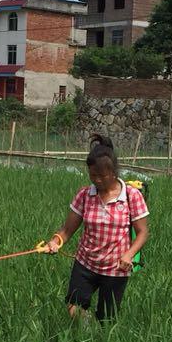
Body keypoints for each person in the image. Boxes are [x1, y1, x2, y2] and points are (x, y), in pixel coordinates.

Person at [45, 134, 149, 321]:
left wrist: (129, 254)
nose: (97, 180)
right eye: (93, 175)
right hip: (86, 263)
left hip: (116, 268)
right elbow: (67, 230)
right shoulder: (85, 195)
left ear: (114, 172)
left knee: (106, 319)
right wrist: (55, 242)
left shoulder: (131, 196)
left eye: (102, 176)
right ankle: (85, 333)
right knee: (74, 306)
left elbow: (142, 233)